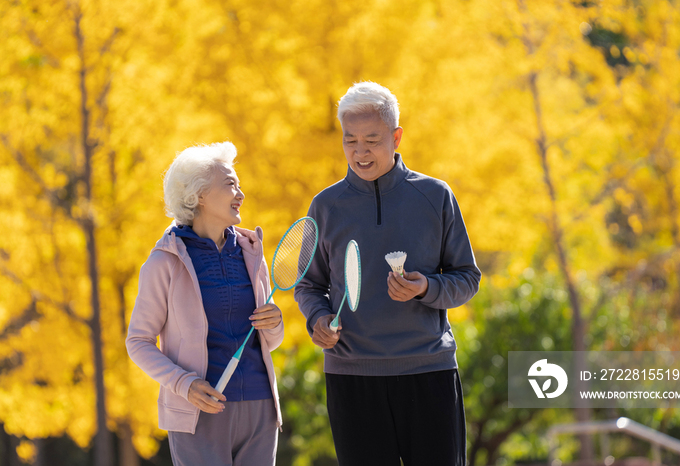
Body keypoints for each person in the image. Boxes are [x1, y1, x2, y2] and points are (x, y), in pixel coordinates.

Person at [294, 82, 481, 466]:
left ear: (396, 137)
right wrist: (319, 319)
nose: (360, 152)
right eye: (350, 141)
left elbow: (467, 278)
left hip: (428, 371)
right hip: (352, 377)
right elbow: (309, 284)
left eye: (372, 140)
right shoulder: (325, 206)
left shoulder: (435, 195)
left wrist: (426, 287)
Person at [126, 142, 284, 466]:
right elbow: (138, 342)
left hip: (260, 407)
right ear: (198, 195)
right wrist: (184, 385)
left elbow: (271, 341)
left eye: (239, 185)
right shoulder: (165, 261)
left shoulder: (252, 252)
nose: (240, 193)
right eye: (230, 185)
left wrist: (275, 324)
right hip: (198, 412)